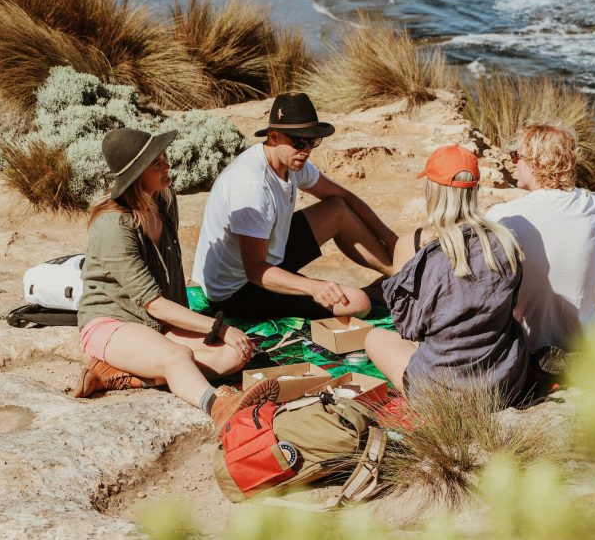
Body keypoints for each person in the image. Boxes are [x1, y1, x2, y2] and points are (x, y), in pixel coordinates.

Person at [73, 127, 279, 428]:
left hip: (157, 323)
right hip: (114, 321)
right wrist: (219, 328)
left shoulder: (164, 201)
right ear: (137, 174)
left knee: (235, 354)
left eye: (164, 157)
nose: (167, 165)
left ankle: (121, 374)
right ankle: (218, 406)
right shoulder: (112, 226)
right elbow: (153, 303)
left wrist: (219, 334)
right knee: (178, 356)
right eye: (156, 163)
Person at [192, 93, 398, 320]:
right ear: (273, 137)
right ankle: (376, 291)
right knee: (358, 302)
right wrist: (313, 287)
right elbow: (255, 270)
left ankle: (399, 275)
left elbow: (343, 196)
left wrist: (391, 240)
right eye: (298, 141)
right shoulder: (252, 187)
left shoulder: (290, 161)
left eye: (312, 141)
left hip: (268, 255)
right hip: (238, 290)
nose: (306, 150)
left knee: (337, 210)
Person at [364, 145, 528, 403]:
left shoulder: (418, 249)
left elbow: (408, 328)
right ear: (475, 190)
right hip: (503, 384)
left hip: (442, 392)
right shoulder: (505, 242)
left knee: (375, 338)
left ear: (432, 190)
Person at [487, 122, 595, 354]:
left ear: (534, 163)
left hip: (528, 344)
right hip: (587, 343)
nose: (513, 163)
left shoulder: (501, 216)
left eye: (516, 156)